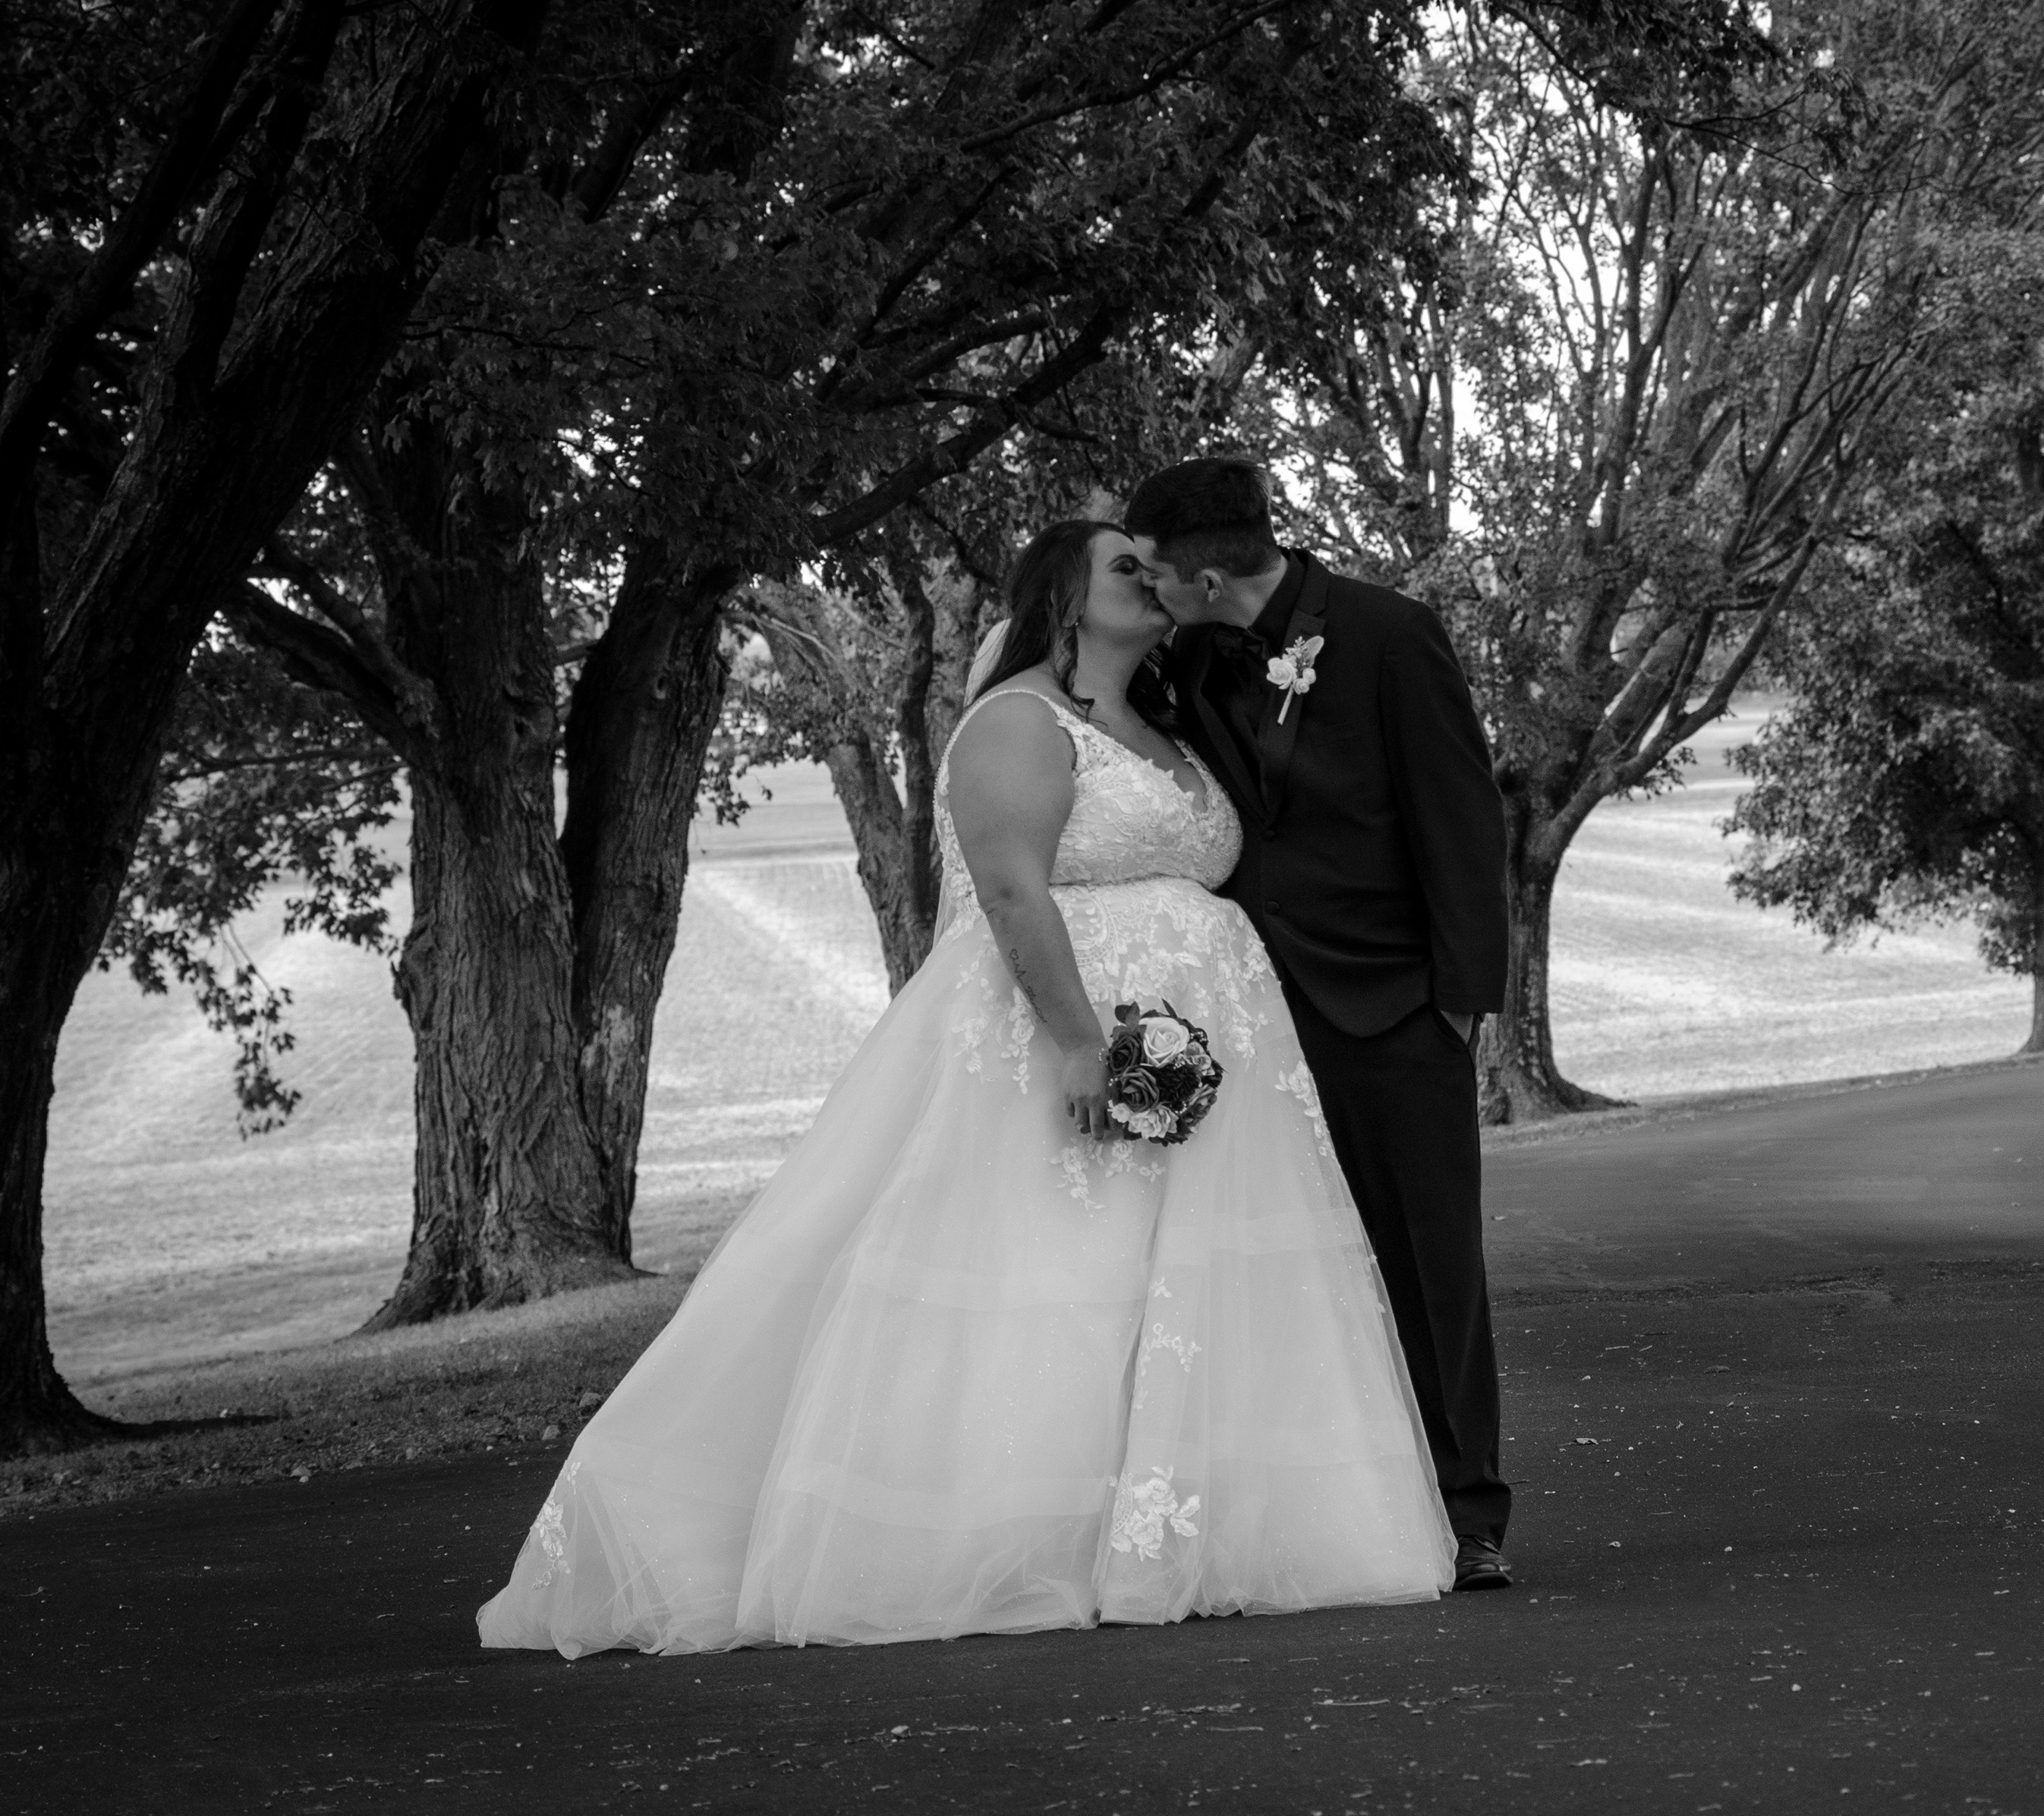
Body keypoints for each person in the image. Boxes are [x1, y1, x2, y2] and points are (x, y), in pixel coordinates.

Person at [474, 519, 1451, 1657]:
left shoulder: (1167, 724)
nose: (1152, 578)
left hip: (1211, 1048)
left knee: (1177, 1285)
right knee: (1060, 1274)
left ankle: (1183, 1533)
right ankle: (1018, 1539)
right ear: (1062, 599)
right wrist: (1082, 1042)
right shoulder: (1018, 721)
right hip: (1066, 1037)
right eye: (1124, 566)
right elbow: (1010, 888)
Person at [1127, 458, 1516, 1593]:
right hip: (1246, 1007)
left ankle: (1468, 1513)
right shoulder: (1188, 657)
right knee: (1276, 1262)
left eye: (1153, 570)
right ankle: (1324, 1511)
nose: (1147, 589)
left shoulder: (1391, 634)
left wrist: (1457, 1006)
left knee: (1429, 1263)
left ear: (1206, 576)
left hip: (1394, 1007)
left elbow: (1461, 817)